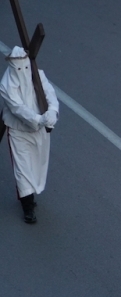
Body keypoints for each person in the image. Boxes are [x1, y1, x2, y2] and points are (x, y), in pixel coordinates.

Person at [0, 46, 59, 224]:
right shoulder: (6, 84)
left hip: (39, 131)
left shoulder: (38, 75)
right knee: (23, 169)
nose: (22, 71)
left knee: (37, 164)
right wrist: (37, 119)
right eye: (18, 68)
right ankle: (28, 206)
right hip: (18, 131)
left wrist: (52, 113)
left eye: (24, 66)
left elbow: (50, 94)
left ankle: (31, 195)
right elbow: (17, 107)